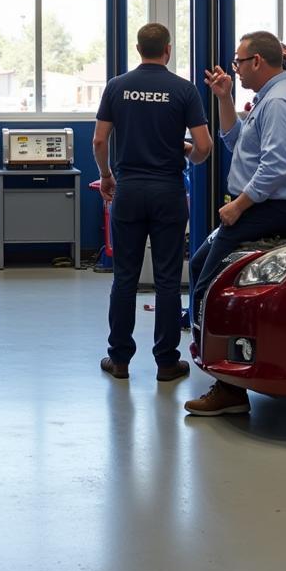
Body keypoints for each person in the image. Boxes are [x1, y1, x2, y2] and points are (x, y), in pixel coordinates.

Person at [184, 30, 286, 417]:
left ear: (257, 61)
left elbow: (275, 165)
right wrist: (223, 98)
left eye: (239, 61)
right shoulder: (267, 99)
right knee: (198, 268)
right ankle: (226, 375)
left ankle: (229, 388)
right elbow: (233, 141)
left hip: (265, 209)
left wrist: (239, 206)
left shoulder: (279, 102)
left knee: (210, 286)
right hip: (258, 206)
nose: (235, 68)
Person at [93, 23, 213, 382]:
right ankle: (165, 363)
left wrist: (108, 176)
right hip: (168, 193)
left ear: (138, 48)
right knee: (166, 280)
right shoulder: (183, 90)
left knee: (124, 278)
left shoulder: (117, 87)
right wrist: (186, 151)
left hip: (128, 191)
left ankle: (119, 360)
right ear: (168, 50)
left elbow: (99, 141)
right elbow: (204, 148)